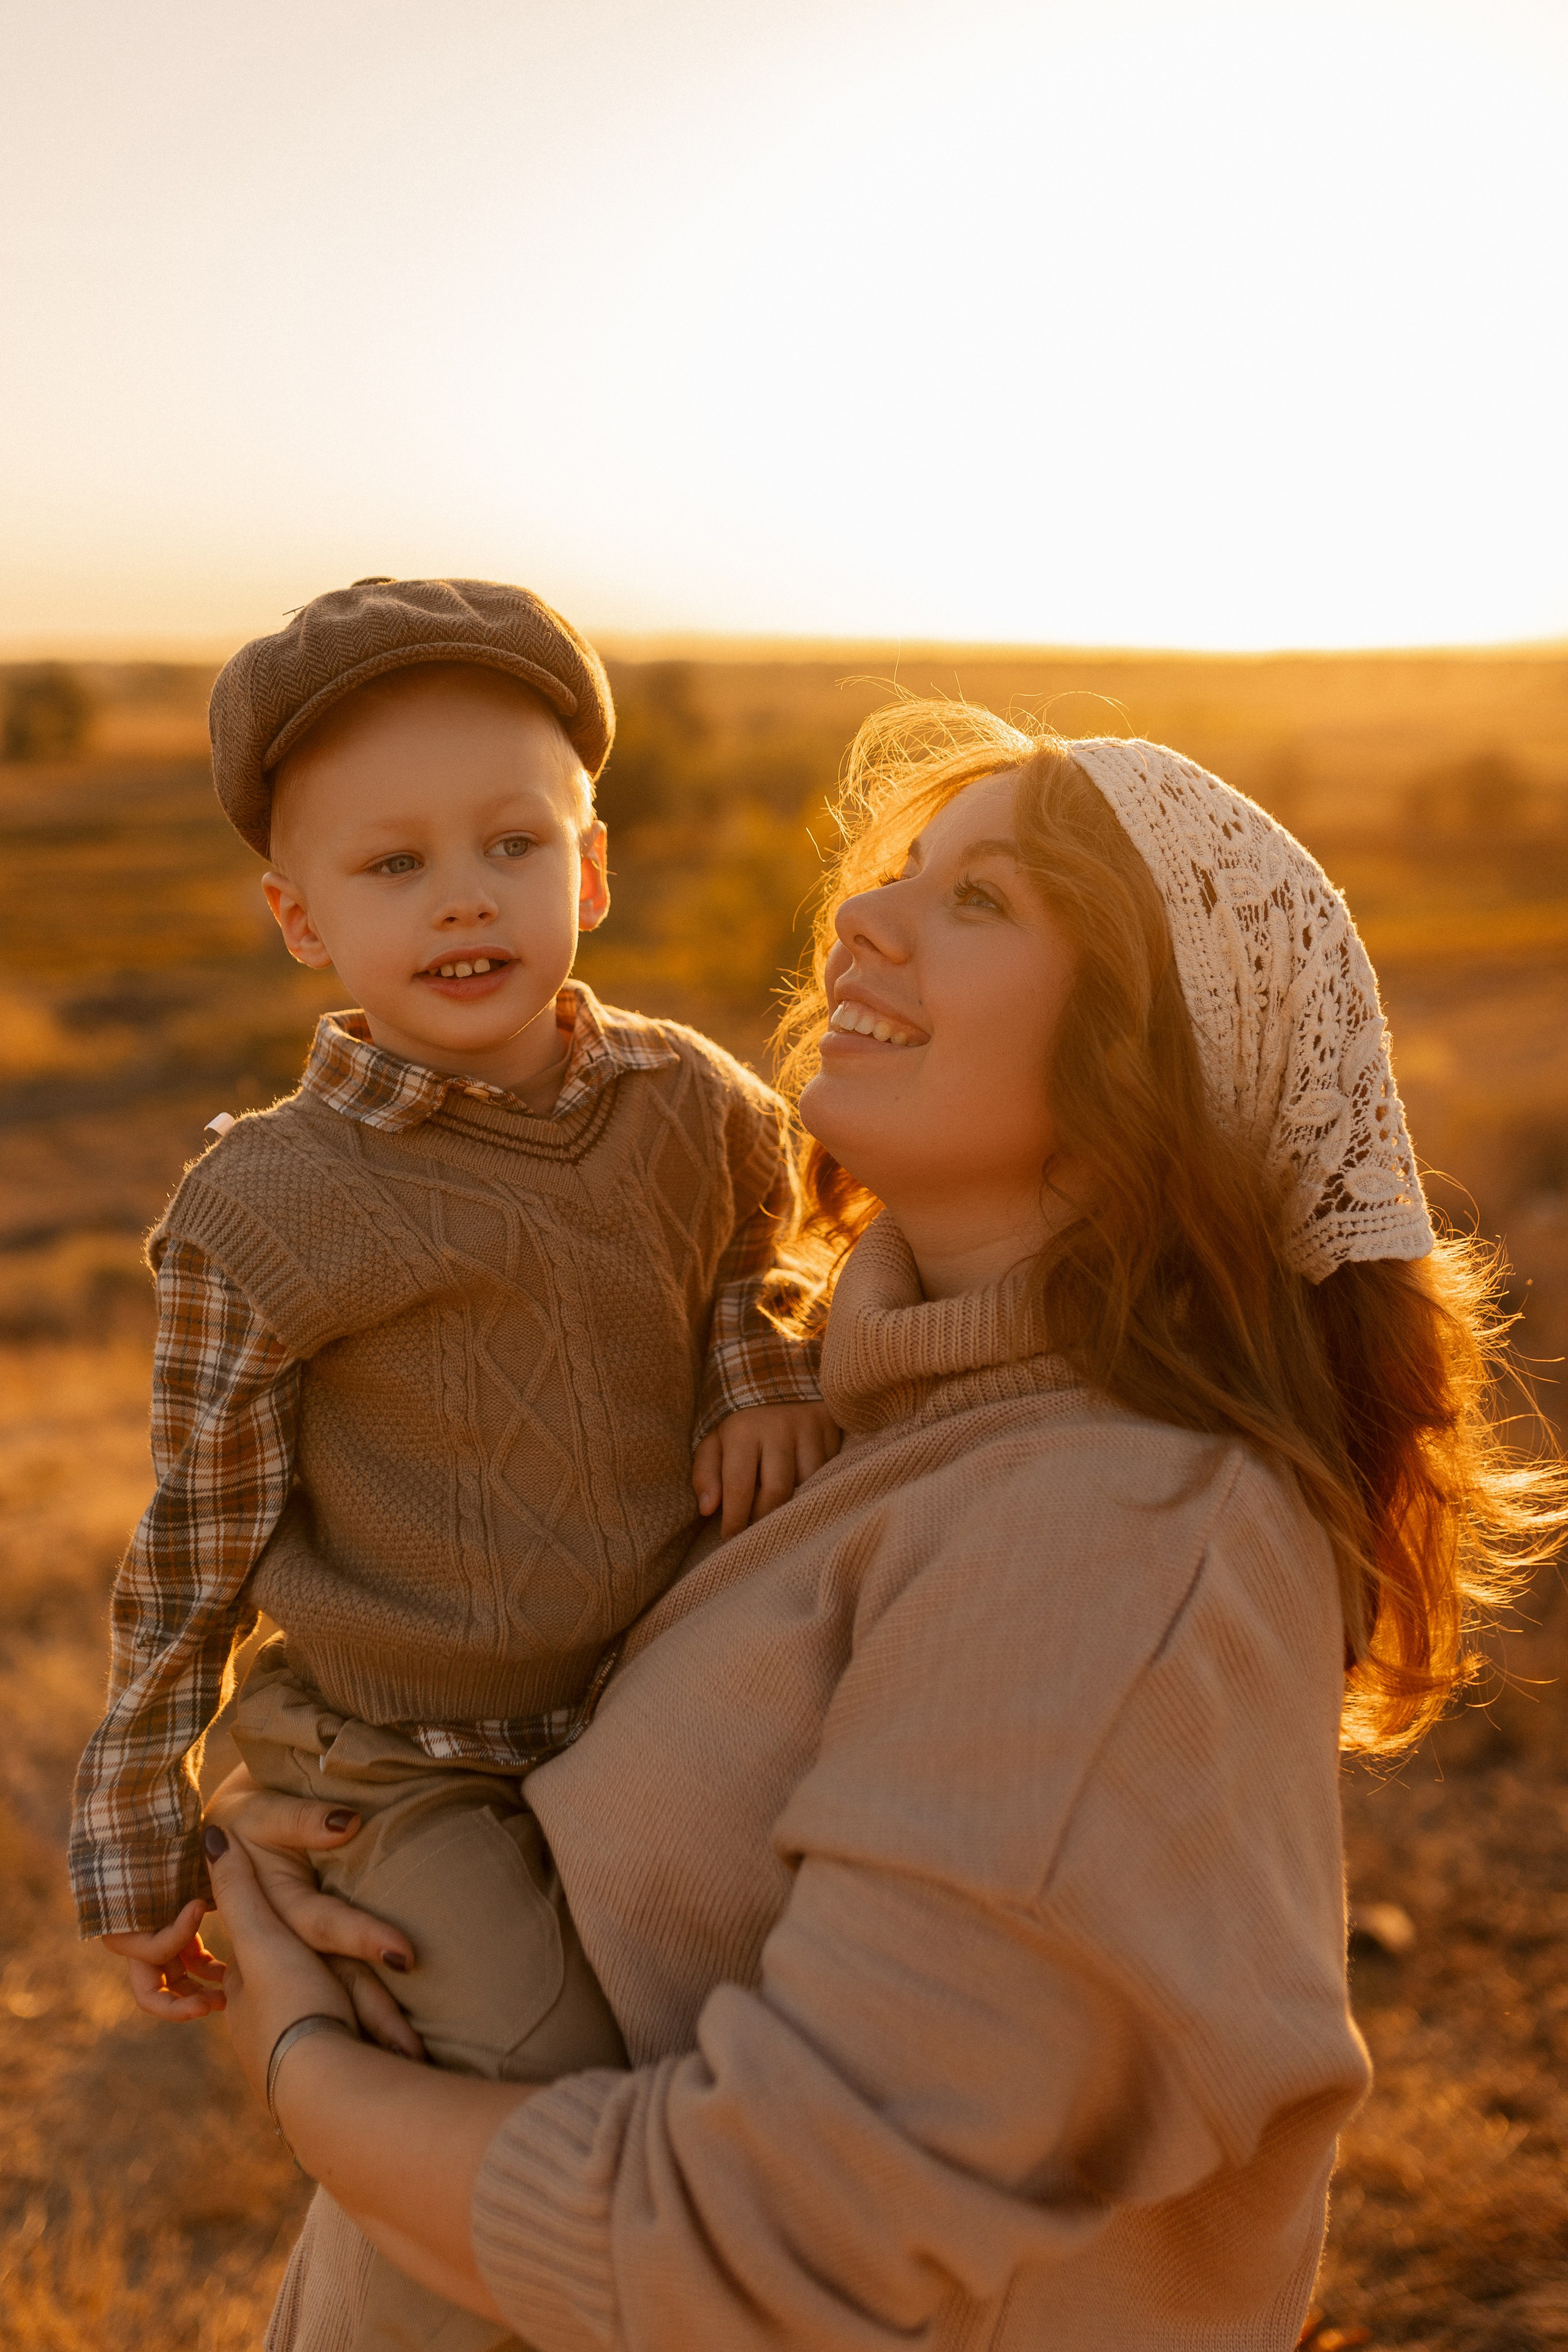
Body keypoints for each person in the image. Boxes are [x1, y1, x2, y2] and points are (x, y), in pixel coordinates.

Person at [203, 704, 1565, 2351]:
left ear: (1156, 1060)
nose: (862, 917)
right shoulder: (836, 1420)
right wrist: (335, 1806)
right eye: (898, 872)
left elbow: (772, 2254)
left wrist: (304, 2062)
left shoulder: (1114, 1533)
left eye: (979, 900)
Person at [68, 578, 840, 2351]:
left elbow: (749, 1252)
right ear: (297, 917)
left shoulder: (696, 1102)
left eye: (511, 841)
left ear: (591, 872)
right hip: (395, 1753)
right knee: (536, 2104)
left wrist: (754, 1375)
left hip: (642, 1702)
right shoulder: (265, 1209)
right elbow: (194, 1540)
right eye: (390, 866)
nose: (464, 896)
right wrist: (137, 1831)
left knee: (733, 2056)